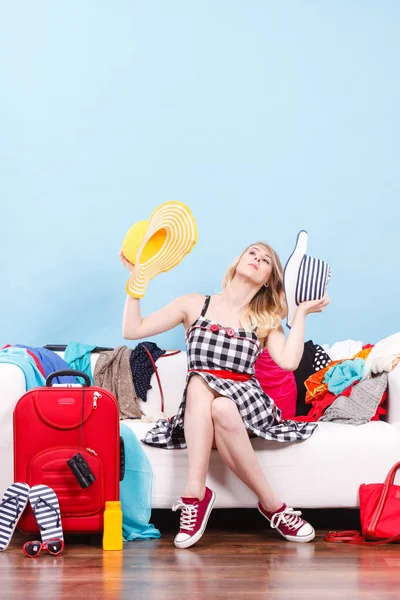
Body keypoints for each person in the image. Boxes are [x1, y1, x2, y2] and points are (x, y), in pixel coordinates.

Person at [120, 242, 329, 548]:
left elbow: (288, 362)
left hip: (248, 403)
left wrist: (300, 316)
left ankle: (194, 494)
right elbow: (132, 329)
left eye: (266, 260)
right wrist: (135, 285)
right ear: (238, 261)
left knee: (203, 386)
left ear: (270, 279)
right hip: (207, 408)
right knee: (214, 401)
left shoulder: (266, 319)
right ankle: (273, 506)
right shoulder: (194, 304)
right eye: (252, 253)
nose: (257, 259)